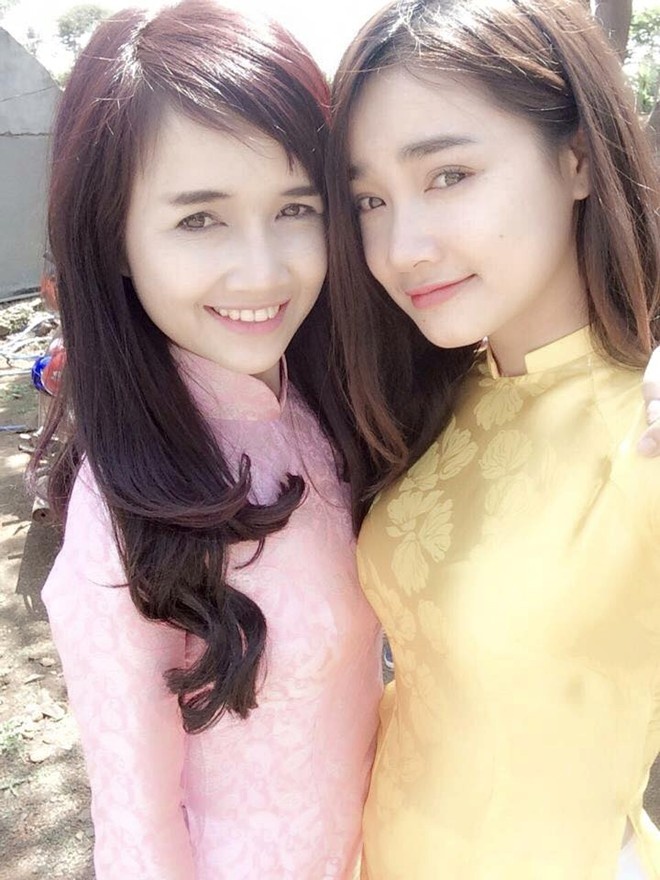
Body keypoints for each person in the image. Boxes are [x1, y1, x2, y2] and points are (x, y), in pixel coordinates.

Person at [34, 2, 383, 877]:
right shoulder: (123, 512)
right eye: (199, 219)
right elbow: (138, 832)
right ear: (113, 238)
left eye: (295, 207)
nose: (263, 270)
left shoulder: (328, 404)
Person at [325, 0, 660, 877]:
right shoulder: (442, 392)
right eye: (370, 199)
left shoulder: (643, 434)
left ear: (577, 159)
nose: (401, 247)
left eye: (448, 175)